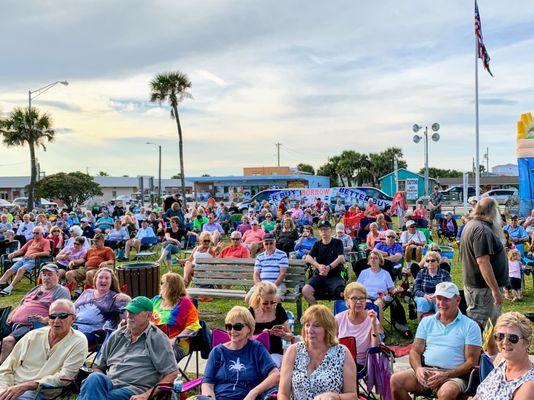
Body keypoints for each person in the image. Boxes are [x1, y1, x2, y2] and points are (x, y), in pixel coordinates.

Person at [390, 282, 482, 400]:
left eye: (446, 299)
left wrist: (446, 375)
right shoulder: (427, 321)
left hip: (454, 376)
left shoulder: (470, 326)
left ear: (458, 300)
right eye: (439, 298)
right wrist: (418, 369)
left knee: (447, 392)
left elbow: (472, 362)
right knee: (396, 381)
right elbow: (414, 351)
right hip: (427, 371)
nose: (441, 303)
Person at [78, 296, 179, 400]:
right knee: (94, 378)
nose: (129, 315)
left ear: (148, 316)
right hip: (109, 384)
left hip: (133, 389)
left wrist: (146, 395)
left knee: (99, 396)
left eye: (134, 312)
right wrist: (98, 387)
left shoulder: (158, 338)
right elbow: (98, 367)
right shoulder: (117, 335)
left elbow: (172, 373)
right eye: (128, 311)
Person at [0, 299, 88, 400]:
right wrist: (4, 390)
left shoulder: (78, 341)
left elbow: (66, 377)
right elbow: (6, 368)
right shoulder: (33, 336)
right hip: (11, 385)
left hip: (40, 391)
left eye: (63, 316)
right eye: (52, 316)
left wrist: (28, 385)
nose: (56, 321)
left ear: (73, 318)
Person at [198, 306, 279, 400]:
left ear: (249, 328)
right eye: (229, 327)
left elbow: (275, 375)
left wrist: (253, 393)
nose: (232, 331)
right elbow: (207, 383)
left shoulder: (256, 349)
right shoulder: (217, 352)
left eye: (237, 327)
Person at [278, 304, 357, 400]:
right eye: (307, 325)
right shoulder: (293, 351)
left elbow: (352, 395)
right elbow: (283, 394)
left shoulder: (342, 353)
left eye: (316, 326)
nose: (310, 330)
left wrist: (336, 397)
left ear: (328, 329)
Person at [0, 264, 70, 363]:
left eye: (50, 275)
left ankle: (3, 373)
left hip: (30, 325)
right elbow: (21, 303)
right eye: (44, 275)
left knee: (8, 341)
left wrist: (45, 319)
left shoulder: (61, 291)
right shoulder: (36, 288)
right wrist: (12, 313)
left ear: (57, 276)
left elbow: (61, 312)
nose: (46, 278)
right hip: (12, 322)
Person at [460, 197, 508, 325]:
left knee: (489, 326)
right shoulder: (481, 229)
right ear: (492, 211)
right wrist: (495, 290)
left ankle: (488, 346)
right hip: (483, 290)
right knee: (482, 326)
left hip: (479, 288)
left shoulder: (472, 224)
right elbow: (483, 262)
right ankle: (481, 346)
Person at [474, 312, 534, 400]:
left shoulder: (529, 385)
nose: (505, 342)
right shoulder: (501, 361)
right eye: (500, 336)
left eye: (513, 338)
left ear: (526, 343)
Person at [74, 267, 130, 346]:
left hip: (95, 333)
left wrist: (127, 300)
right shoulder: (87, 292)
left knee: (70, 341)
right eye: (100, 277)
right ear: (95, 280)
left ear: (112, 282)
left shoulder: (116, 298)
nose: (103, 280)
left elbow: (128, 318)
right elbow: (71, 309)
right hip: (73, 328)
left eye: (107, 278)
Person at [151, 273, 200, 361]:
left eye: (163, 283)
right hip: (153, 342)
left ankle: (168, 374)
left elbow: (193, 326)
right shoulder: (156, 300)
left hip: (177, 345)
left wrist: (176, 339)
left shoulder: (185, 303)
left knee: (158, 360)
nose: (160, 285)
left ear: (172, 287)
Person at [335, 282, 381, 368]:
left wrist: (374, 324)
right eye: (354, 298)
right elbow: (331, 343)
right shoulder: (338, 319)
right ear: (347, 300)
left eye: (362, 298)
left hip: (362, 364)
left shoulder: (371, 319)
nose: (359, 302)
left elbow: (375, 347)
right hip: (340, 362)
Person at [248, 282, 292, 368]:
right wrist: (263, 335)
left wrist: (283, 334)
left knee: (270, 366)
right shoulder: (251, 312)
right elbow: (245, 336)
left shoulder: (278, 310)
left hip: (275, 352)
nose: (269, 306)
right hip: (255, 352)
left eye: (272, 302)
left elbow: (290, 336)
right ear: (259, 298)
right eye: (265, 303)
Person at [303, 220, 346, 305]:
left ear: (331, 230)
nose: (324, 232)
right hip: (319, 275)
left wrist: (329, 267)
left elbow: (341, 257)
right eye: (321, 230)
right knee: (305, 291)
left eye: (326, 229)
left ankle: (341, 316)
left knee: (342, 294)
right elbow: (308, 257)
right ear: (319, 232)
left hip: (335, 275)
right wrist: (318, 266)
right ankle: (317, 311)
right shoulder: (317, 244)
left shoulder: (337, 242)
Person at [0, 226, 50, 296]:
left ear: (42, 233)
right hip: (24, 259)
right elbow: (21, 250)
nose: (35, 234)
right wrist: (13, 254)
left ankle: (9, 289)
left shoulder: (45, 241)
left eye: (37, 233)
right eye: (33, 233)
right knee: (9, 270)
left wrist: (36, 254)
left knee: (21, 269)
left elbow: (47, 253)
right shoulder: (31, 241)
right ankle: (1, 284)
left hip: (34, 260)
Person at [356, 250, 396, 328]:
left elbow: (392, 288)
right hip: (366, 297)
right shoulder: (364, 273)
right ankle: (366, 328)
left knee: (377, 304)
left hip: (380, 297)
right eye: (371, 258)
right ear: (368, 261)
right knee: (367, 303)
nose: (373, 260)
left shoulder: (385, 273)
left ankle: (380, 330)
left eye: (375, 258)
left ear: (380, 260)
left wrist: (396, 291)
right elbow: (357, 287)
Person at [245, 233, 289, 304]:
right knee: (248, 298)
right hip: (262, 284)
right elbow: (256, 274)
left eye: (271, 243)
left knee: (275, 299)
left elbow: (282, 274)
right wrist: (259, 286)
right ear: (263, 244)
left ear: (275, 243)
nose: (269, 246)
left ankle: (272, 315)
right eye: (266, 244)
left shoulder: (282, 255)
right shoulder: (260, 257)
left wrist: (272, 287)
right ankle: (258, 314)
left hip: (277, 284)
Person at [413, 251, 451, 318]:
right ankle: (421, 326)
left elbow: (448, 289)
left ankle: (440, 326)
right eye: (427, 261)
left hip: (439, 298)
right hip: (424, 297)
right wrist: (425, 296)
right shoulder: (421, 273)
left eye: (433, 260)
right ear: (425, 263)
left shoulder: (445, 274)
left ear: (438, 262)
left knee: (441, 304)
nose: (430, 262)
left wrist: (437, 296)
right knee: (422, 302)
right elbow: (416, 290)